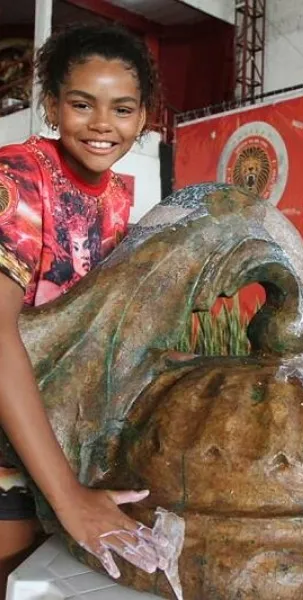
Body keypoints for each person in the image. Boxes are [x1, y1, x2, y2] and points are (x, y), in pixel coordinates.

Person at [0, 23, 164, 596]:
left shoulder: (118, 193)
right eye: (81, 104)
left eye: (121, 109)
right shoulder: (17, 176)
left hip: (50, 420)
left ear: (143, 117)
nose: (102, 124)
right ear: (50, 105)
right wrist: (69, 498)